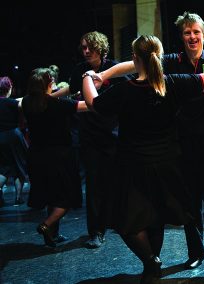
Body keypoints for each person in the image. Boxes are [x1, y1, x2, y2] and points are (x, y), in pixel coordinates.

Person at [96, 12, 204, 280]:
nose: (192, 37)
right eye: (187, 32)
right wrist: (102, 74)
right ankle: (196, 253)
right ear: (181, 37)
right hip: (182, 141)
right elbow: (132, 65)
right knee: (189, 202)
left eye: (196, 32)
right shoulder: (172, 62)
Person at [52, 31, 129, 248]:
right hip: (90, 136)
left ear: (100, 48)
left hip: (113, 135)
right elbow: (72, 89)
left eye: (90, 47)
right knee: (95, 185)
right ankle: (96, 231)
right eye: (83, 47)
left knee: (115, 181)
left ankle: (115, 222)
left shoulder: (114, 68)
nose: (86, 51)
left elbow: (129, 90)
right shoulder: (80, 70)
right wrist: (53, 97)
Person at [22, 68, 88, 247]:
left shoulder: (27, 103)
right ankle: (46, 225)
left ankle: (52, 235)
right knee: (67, 198)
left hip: (37, 156)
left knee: (51, 197)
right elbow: (88, 105)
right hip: (60, 156)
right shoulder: (57, 104)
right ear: (49, 84)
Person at [0, 76, 28, 206]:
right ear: (9, 88)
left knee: (4, 167)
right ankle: (18, 197)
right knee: (19, 166)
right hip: (13, 135)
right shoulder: (14, 103)